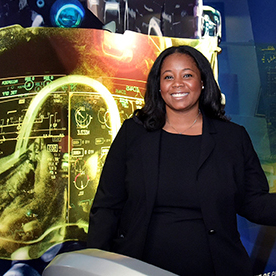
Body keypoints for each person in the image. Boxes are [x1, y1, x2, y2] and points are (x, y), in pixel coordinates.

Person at [87, 45, 276, 276]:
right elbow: (107, 206)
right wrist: (95, 264)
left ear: (203, 81)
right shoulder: (133, 134)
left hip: (217, 268)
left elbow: (253, 201)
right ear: (159, 85)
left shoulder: (233, 138)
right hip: (138, 268)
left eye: (187, 75)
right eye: (168, 77)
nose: (178, 83)